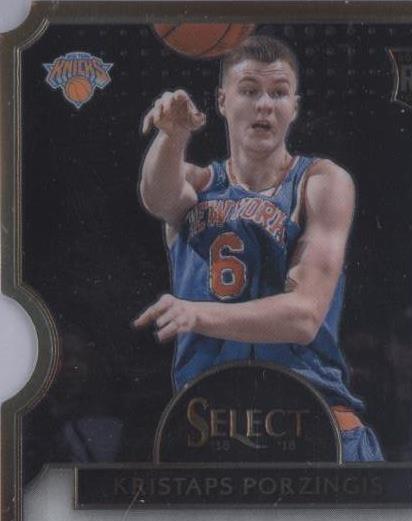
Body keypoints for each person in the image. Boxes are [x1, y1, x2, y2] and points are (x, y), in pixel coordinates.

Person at [134, 35, 383, 462]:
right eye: (249, 91)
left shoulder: (320, 182)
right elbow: (157, 196)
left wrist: (198, 313)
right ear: (222, 100)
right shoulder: (197, 184)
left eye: (278, 93)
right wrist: (172, 135)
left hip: (311, 419)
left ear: (294, 107)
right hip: (211, 426)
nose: (264, 104)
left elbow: (304, 316)